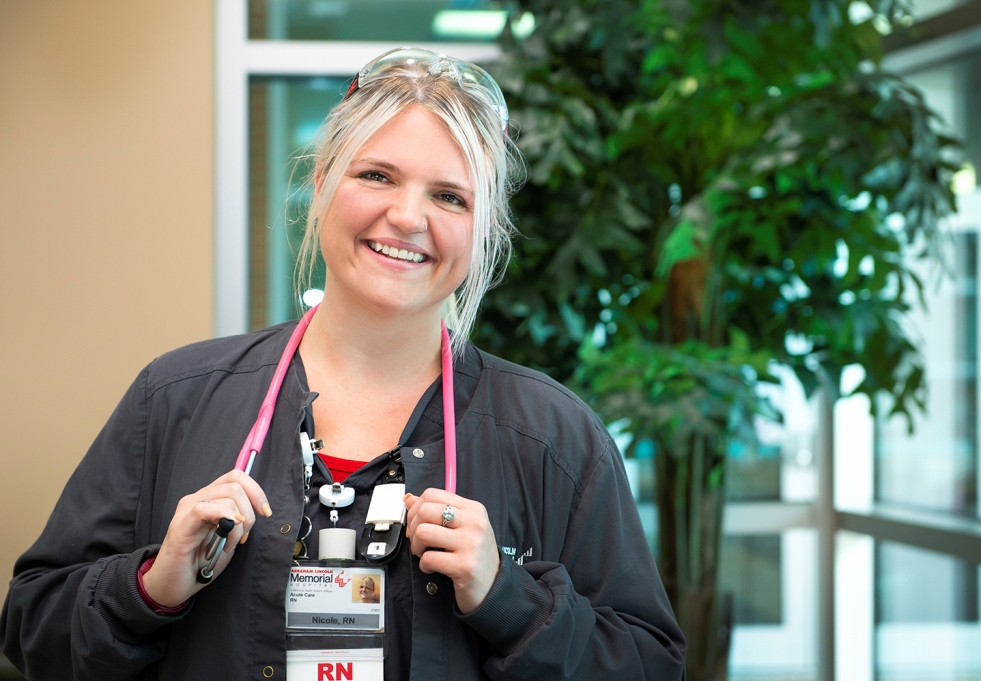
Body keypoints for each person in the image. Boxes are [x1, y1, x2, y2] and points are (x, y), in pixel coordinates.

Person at [0, 48, 686, 680]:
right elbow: (32, 629)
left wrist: (508, 599)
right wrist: (152, 585)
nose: (407, 216)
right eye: (377, 175)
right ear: (323, 180)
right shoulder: (175, 400)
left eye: (449, 196)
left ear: (484, 231)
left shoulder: (553, 439)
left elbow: (650, 665)